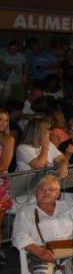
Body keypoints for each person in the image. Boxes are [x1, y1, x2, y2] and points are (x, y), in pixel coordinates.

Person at [0, 110, 14, 264]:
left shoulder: (8, 139)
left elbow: (4, 165)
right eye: (0, 119)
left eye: (6, 120)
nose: (3, 123)